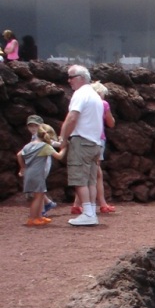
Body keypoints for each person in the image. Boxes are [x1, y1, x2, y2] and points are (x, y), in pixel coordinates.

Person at [60, 65, 105, 226]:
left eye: (71, 77)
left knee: (79, 178)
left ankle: (87, 212)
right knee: (91, 180)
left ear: (81, 78)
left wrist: (63, 138)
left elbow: (72, 117)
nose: (69, 80)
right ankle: (91, 210)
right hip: (95, 142)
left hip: (82, 141)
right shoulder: (95, 96)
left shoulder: (80, 94)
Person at [71, 82, 116, 215]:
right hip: (97, 139)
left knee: (87, 172)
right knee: (95, 173)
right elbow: (111, 123)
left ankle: (77, 204)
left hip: (81, 138)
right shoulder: (102, 103)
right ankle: (100, 204)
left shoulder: (83, 101)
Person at [16, 124, 67, 226]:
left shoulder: (29, 145)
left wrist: (23, 167)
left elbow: (19, 155)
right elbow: (59, 156)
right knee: (38, 197)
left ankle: (39, 217)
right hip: (38, 174)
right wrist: (64, 148)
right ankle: (33, 218)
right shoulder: (45, 146)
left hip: (29, 173)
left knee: (39, 195)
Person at [25, 115, 59, 216]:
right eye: (30, 126)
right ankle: (47, 203)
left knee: (38, 188)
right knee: (37, 188)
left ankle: (42, 210)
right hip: (36, 165)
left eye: (36, 126)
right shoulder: (33, 137)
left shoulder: (41, 136)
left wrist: (62, 143)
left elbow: (53, 143)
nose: (33, 128)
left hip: (42, 164)